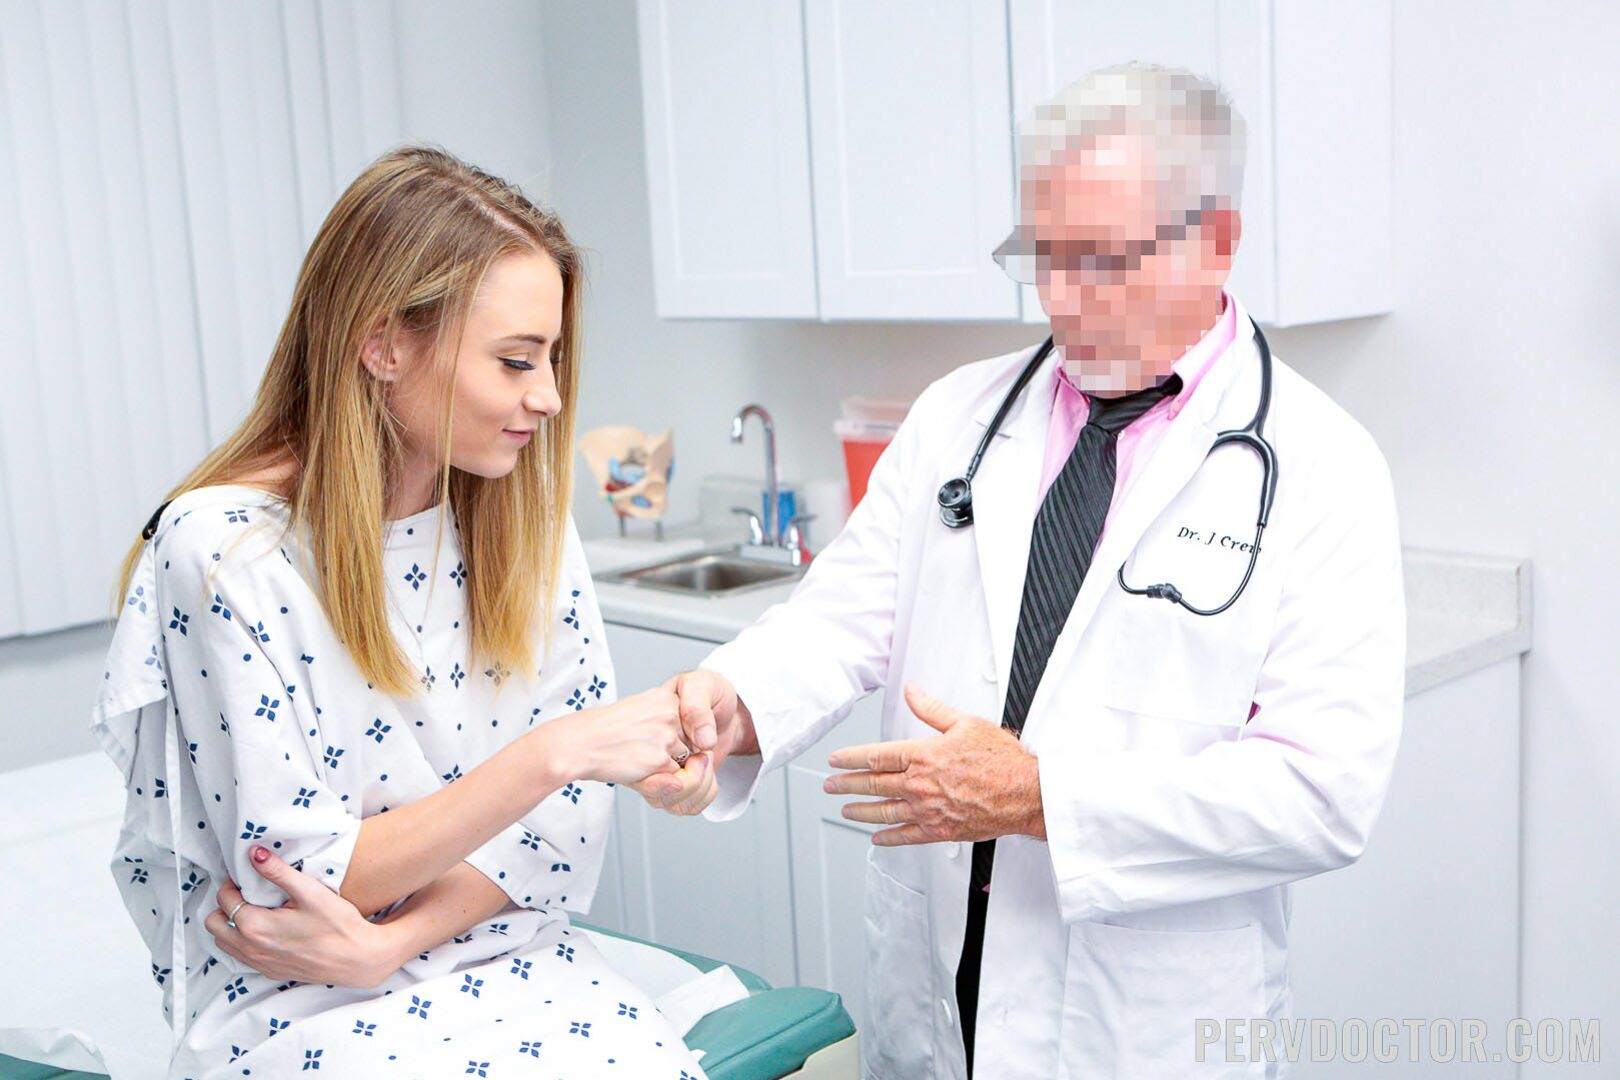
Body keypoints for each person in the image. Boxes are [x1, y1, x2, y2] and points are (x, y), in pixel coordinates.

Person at [647, 63, 1407, 1078]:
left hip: (1143, 1023)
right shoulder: (958, 416)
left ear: (1217, 241)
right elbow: (840, 619)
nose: (1062, 297)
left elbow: (1322, 792)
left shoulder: (1322, 464)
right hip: (937, 984)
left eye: (1103, 261)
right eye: (1044, 255)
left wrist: (1042, 796)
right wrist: (733, 702)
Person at [92, 145, 711, 1079]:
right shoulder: (223, 554)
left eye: (551, 358)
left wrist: (394, 942)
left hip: (504, 951)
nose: (548, 397)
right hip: (295, 993)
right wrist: (555, 754)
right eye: (515, 360)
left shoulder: (527, 523)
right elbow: (298, 883)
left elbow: (561, 828)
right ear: (384, 346)